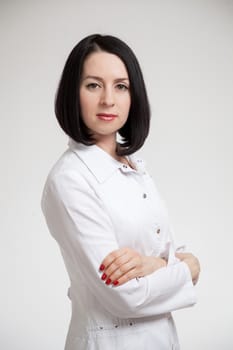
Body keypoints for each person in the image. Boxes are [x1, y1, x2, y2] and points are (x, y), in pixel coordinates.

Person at [41, 34, 200, 350]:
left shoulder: (134, 168)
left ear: (133, 95)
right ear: (73, 93)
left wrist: (153, 265)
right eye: (93, 85)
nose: (108, 100)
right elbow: (125, 296)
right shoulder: (70, 179)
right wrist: (189, 267)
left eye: (121, 86)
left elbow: (166, 250)